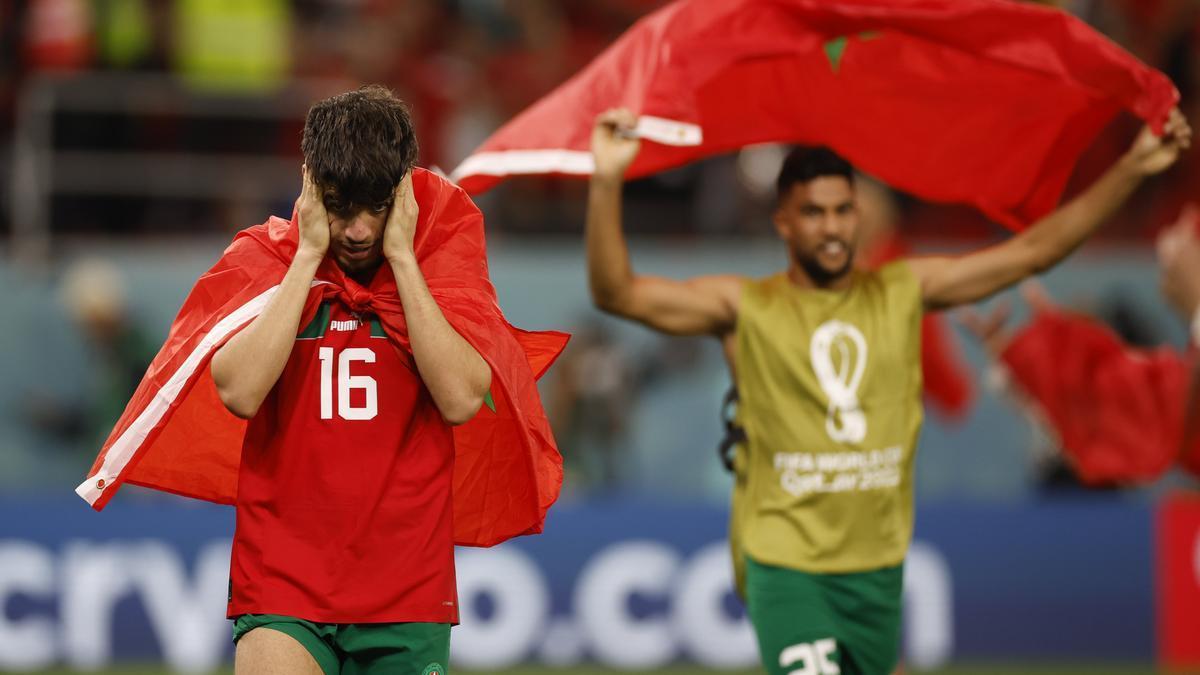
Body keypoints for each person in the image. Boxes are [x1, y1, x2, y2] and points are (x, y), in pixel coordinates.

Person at [585, 107, 1190, 675]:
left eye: (842, 211)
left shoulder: (903, 292)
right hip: (788, 568)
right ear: (784, 224)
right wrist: (606, 183)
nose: (831, 227)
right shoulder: (745, 307)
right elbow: (620, 294)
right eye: (813, 213)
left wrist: (1132, 167)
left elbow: (1034, 251)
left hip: (875, 573)